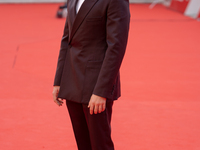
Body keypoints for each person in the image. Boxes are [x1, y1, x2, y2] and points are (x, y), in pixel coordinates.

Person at [52, 0, 130, 150]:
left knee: (100, 144)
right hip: (72, 81)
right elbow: (66, 40)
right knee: (83, 144)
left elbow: (116, 47)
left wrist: (102, 91)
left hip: (96, 85)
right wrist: (59, 80)